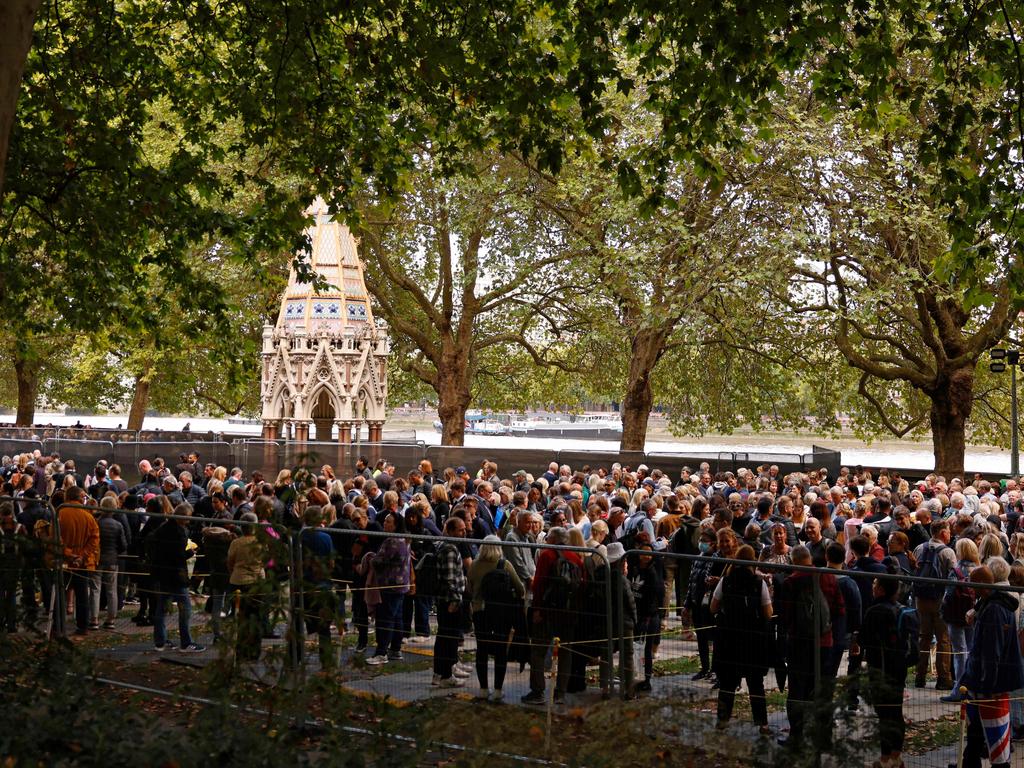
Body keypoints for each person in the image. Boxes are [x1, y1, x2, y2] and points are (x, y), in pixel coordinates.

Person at [954, 565, 1024, 768]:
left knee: (995, 732)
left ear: (983, 584)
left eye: (974, 584)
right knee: (975, 730)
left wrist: (988, 683)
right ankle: (970, 762)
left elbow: (992, 652)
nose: (971, 589)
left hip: (989, 686)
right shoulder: (991, 601)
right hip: (980, 680)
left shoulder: (994, 609)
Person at [711, 543, 772, 733]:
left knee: (727, 683)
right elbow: (768, 613)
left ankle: (722, 721)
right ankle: (762, 723)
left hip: (729, 637)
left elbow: (713, 606)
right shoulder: (758, 582)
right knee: (756, 684)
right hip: (752, 639)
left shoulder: (726, 580)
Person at [522, 527, 582, 705]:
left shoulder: (547, 555)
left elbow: (539, 583)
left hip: (548, 611)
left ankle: (537, 691)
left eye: (548, 537)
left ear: (553, 539)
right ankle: (560, 692)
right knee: (565, 652)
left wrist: (537, 609)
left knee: (538, 651)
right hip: (569, 612)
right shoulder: (576, 556)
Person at [468, 534, 525, 701]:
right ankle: (498, 689)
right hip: (501, 613)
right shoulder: (504, 565)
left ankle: (483, 689)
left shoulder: (474, 565)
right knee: (500, 651)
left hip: (480, 611)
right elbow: (520, 589)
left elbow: (469, 588)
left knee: (482, 649)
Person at [860, 574, 909, 768]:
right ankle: (897, 756)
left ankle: (885, 758)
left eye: (875, 584)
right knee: (896, 712)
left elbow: (865, 639)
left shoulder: (874, 611)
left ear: (881, 589)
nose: (873, 587)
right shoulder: (900, 609)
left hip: (880, 668)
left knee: (884, 714)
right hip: (899, 668)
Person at [150, 502, 204, 652]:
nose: (189, 520)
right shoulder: (179, 532)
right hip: (176, 574)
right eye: (188, 518)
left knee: (161, 607)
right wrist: (191, 553)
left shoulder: (163, 528)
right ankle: (186, 642)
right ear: (183, 517)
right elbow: (178, 554)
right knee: (185, 608)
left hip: (162, 573)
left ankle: (160, 641)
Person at [911, 519, 956, 690]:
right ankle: (943, 678)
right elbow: (953, 575)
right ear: (943, 533)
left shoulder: (919, 548)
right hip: (940, 599)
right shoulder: (948, 552)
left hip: (921, 599)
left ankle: (919, 676)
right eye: (948, 531)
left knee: (923, 637)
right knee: (943, 639)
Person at [366, 511, 411, 666]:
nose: (385, 524)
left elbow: (379, 561)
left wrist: (371, 558)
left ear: (396, 524)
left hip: (390, 585)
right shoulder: (405, 539)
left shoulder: (392, 541)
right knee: (396, 617)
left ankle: (381, 652)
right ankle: (396, 649)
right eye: (385, 521)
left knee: (385, 619)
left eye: (389, 522)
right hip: (401, 585)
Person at [57, 486, 100, 635]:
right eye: (83, 497)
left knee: (60, 593)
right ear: (79, 497)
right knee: (82, 596)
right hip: (82, 563)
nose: (84, 499)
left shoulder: (59, 514)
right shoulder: (88, 516)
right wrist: (82, 556)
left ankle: (58, 625)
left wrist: (69, 554)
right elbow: (94, 539)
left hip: (64, 561)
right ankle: (83, 626)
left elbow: (55, 538)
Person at [300, 505, 337, 669]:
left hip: (303, 585)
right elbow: (331, 562)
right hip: (323, 585)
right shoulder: (326, 538)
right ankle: (327, 662)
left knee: (297, 623)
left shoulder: (299, 537)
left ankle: (295, 658)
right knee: (324, 628)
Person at [434, 516, 469, 687]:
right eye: (461, 530)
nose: (464, 533)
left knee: (446, 637)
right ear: (451, 530)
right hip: (450, 600)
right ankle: (445, 675)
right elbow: (449, 579)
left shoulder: (448, 546)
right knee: (448, 637)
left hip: (448, 599)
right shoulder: (449, 549)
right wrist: (455, 599)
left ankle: (441, 671)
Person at [227, 512, 265, 661]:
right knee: (256, 617)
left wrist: (234, 571)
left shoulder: (236, 543)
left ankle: (241, 650)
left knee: (241, 617)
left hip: (238, 581)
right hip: (257, 581)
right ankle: (254, 651)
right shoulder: (261, 542)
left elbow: (230, 561)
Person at [628, 543, 664, 694]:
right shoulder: (633, 569)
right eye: (643, 553)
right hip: (635, 614)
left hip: (649, 616)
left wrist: (650, 616)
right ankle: (633, 676)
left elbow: (656, 595)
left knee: (647, 649)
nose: (646, 556)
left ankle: (646, 679)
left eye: (649, 553)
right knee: (633, 649)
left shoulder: (653, 572)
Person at [95, 496, 127, 629]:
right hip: (112, 559)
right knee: (111, 590)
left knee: (95, 589)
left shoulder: (96, 523)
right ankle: (111, 619)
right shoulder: (118, 525)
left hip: (97, 559)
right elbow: (123, 545)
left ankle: (93, 619)